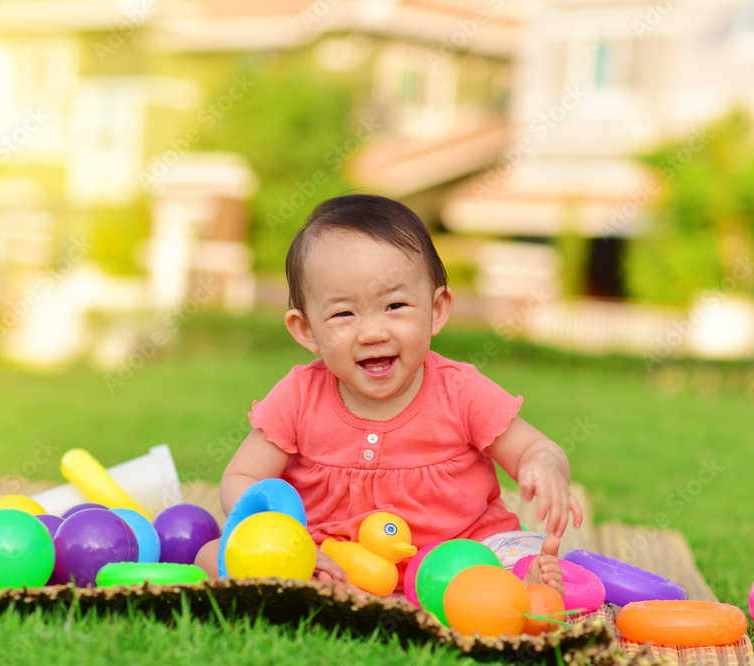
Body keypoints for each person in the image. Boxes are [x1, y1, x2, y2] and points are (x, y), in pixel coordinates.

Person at [195, 194, 582, 596]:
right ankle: (316, 585)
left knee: (514, 553)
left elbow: (531, 449)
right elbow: (243, 477)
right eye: (344, 314)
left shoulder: (461, 390)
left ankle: (521, 582)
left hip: (460, 552)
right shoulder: (298, 395)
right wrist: (287, 540)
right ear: (306, 330)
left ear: (437, 309)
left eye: (395, 305)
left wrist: (545, 466)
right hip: (336, 556)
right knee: (212, 554)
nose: (373, 332)